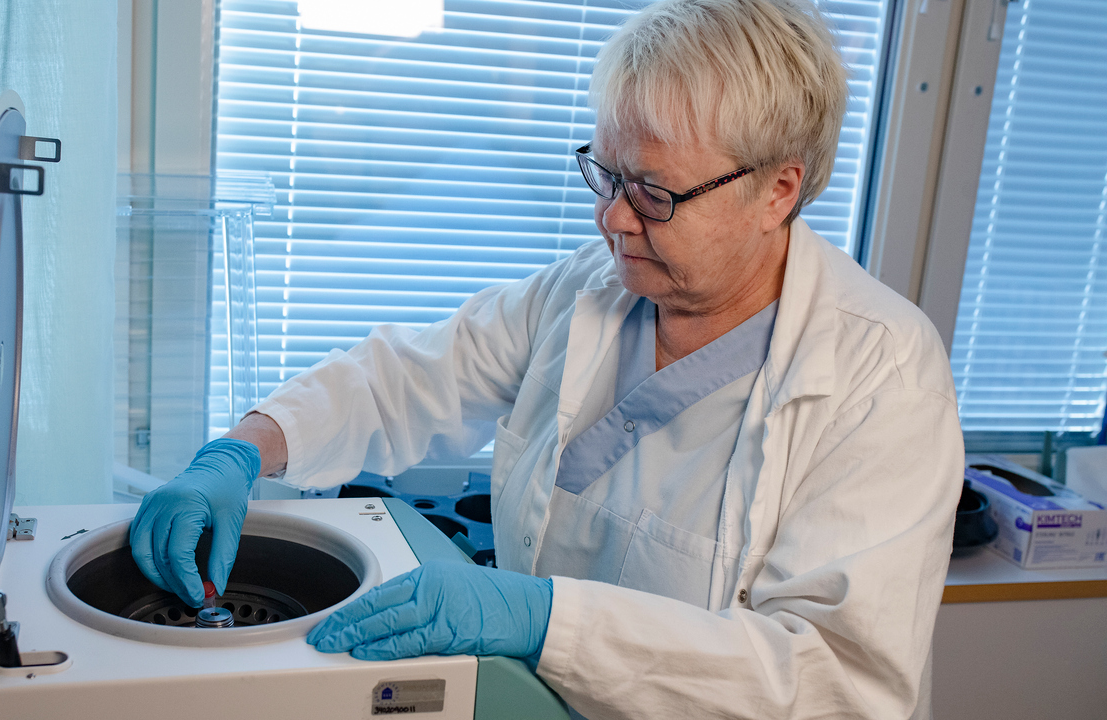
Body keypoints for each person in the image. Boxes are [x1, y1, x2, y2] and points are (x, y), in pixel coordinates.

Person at [129, 0, 964, 717]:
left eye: (655, 193)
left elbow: (833, 681)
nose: (614, 219)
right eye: (607, 174)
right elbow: (408, 378)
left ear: (777, 190)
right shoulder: (590, 290)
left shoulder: (882, 375)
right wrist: (244, 449)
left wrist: (547, 621)